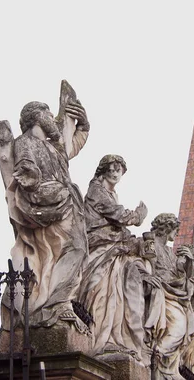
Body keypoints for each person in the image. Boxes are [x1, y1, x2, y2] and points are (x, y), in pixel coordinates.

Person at [7, 99, 90, 331]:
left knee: (76, 250)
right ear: (36, 116)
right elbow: (26, 168)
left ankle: (59, 299)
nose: (53, 118)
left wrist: (83, 123)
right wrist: (31, 176)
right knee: (73, 248)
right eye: (48, 113)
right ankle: (56, 302)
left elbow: (75, 142)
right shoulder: (25, 142)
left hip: (65, 202)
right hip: (48, 202)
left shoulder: (55, 147)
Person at [77, 154, 149, 360]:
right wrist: (138, 216)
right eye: (113, 167)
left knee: (115, 295)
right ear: (104, 169)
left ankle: (111, 338)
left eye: (120, 169)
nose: (117, 172)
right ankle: (99, 337)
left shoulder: (110, 193)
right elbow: (118, 215)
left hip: (112, 249)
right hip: (99, 248)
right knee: (100, 291)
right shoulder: (96, 191)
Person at [144, 213, 194, 379]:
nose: (177, 234)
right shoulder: (150, 243)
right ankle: (158, 357)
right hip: (161, 292)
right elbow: (148, 267)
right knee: (178, 327)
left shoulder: (170, 251)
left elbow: (183, 276)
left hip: (175, 294)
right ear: (167, 228)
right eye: (175, 229)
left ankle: (168, 368)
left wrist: (189, 261)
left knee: (182, 328)